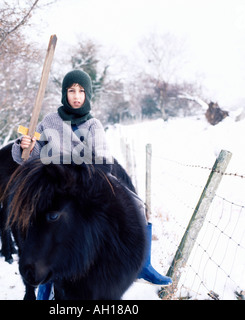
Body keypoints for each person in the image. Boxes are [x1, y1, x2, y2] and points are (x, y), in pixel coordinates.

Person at [12, 69, 171, 300]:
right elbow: (30, 154)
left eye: (81, 91)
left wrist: (78, 167)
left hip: (86, 181)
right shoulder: (49, 121)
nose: (76, 96)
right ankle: (46, 282)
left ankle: (144, 264)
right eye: (71, 90)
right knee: (44, 220)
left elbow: (103, 161)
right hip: (54, 184)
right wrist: (25, 144)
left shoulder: (93, 125)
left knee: (136, 203)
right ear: (64, 93)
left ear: (88, 95)